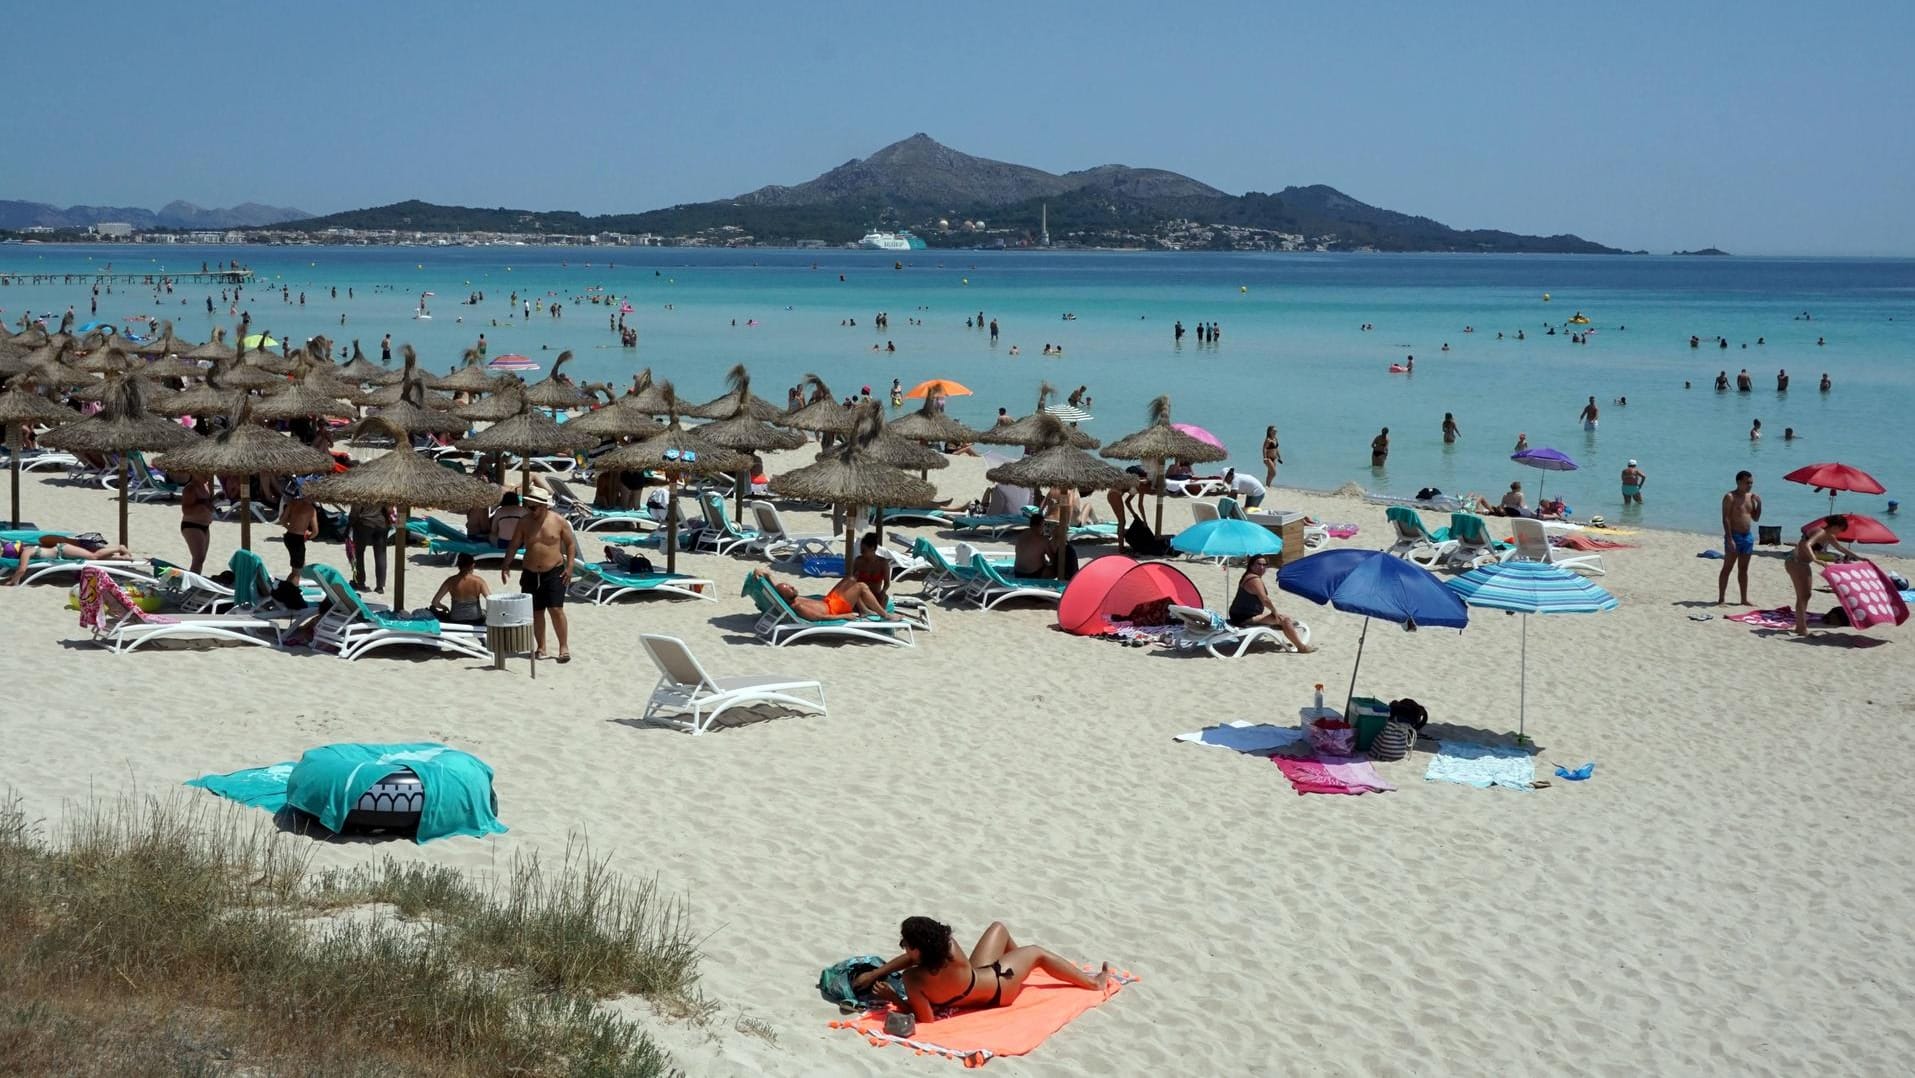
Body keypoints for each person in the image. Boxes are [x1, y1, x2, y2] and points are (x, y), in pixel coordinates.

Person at [851, 918, 1112, 1023]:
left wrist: (893, 998)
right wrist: (876, 973)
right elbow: (911, 958)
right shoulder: (951, 949)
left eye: (906, 943)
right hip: (993, 986)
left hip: (995, 984)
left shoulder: (914, 979)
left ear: (919, 949)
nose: (903, 947)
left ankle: (1094, 985)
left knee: (1022, 943)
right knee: (1023, 944)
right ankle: (1031, 968)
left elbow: (926, 1019)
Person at [501, 487, 575, 662]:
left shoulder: (559, 522)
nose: (530, 510)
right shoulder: (524, 522)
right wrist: (506, 564)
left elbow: (570, 544)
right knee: (536, 611)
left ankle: (563, 647)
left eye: (533, 507)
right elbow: (514, 545)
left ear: (544, 506)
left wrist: (570, 567)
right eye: (528, 507)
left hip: (554, 571)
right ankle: (541, 647)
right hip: (530, 572)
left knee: (556, 609)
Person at [1226, 555, 1314, 651]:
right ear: (1251, 566)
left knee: (1283, 619)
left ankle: (1285, 626)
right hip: (1244, 618)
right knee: (1285, 620)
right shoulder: (1253, 579)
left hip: (1240, 615)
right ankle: (1301, 647)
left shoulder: (1248, 576)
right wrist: (1274, 612)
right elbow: (1265, 599)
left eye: (1265, 565)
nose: (1262, 567)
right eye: (1259, 564)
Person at [1787, 516, 1856, 635]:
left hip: (1801, 563)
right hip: (1796, 562)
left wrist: (1859, 557)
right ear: (1835, 526)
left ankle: (1800, 626)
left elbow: (1840, 548)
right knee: (1804, 595)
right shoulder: (1820, 532)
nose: (1841, 532)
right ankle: (1801, 627)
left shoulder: (1829, 536)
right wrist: (1815, 560)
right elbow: (1808, 544)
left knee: (1805, 595)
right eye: (1841, 529)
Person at [749, 567, 898, 620]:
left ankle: (865, 610)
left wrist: (763, 572)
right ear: (788, 596)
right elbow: (821, 617)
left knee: (851, 578)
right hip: (835, 609)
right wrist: (845, 616)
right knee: (861, 586)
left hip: (828, 601)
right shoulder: (799, 606)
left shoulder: (787, 597)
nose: (794, 587)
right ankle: (885, 614)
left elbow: (777, 586)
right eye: (792, 589)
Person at [4, 536, 136, 586]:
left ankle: (119, 548)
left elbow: (22, 569)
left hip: (63, 549)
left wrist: (11, 581)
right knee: (93, 558)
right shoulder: (27, 549)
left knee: (93, 556)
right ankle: (122, 558)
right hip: (63, 552)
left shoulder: (26, 552)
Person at [1717, 471, 1763, 605]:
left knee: (1744, 569)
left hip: (1747, 536)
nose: (1750, 485)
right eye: (1747, 483)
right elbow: (1725, 519)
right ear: (1738, 482)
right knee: (1728, 567)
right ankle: (1721, 599)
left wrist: (1758, 503)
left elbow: (1755, 518)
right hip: (1734, 535)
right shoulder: (1730, 497)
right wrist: (1729, 538)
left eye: (1751, 483)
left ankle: (1743, 599)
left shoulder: (1751, 497)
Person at [429, 553, 491, 625]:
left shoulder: (450, 581)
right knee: (484, 612)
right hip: (475, 619)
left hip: (455, 619)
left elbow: (435, 602)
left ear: (458, 565)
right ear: (472, 565)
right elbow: (491, 600)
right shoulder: (479, 581)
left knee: (433, 609)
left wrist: (444, 607)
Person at [278, 474, 318, 575]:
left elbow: (282, 520)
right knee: (296, 572)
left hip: (288, 537)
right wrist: (308, 536)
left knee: (297, 565)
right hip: (297, 539)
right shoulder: (311, 510)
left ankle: (292, 587)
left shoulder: (292, 503)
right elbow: (315, 531)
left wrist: (290, 528)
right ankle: (292, 589)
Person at [180, 476, 214, 574]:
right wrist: (200, 506)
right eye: (204, 472)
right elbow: (185, 510)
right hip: (192, 525)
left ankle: (195, 581)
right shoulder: (190, 488)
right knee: (198, 558)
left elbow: (208, 505)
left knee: (201, 559)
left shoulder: (205, 486)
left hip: (205, 526)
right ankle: (192, 584)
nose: (206, 474)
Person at [851, 532, 890, 603]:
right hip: (861, 595)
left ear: (872, 548)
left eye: (863, 550)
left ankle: (879, 613)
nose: (861, 553)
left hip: (875, 594)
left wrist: (883, 591)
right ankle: (864, 611)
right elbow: (852, 580)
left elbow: (887, 582)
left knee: (885, 597)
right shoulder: (858, 561)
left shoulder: (883, 563)